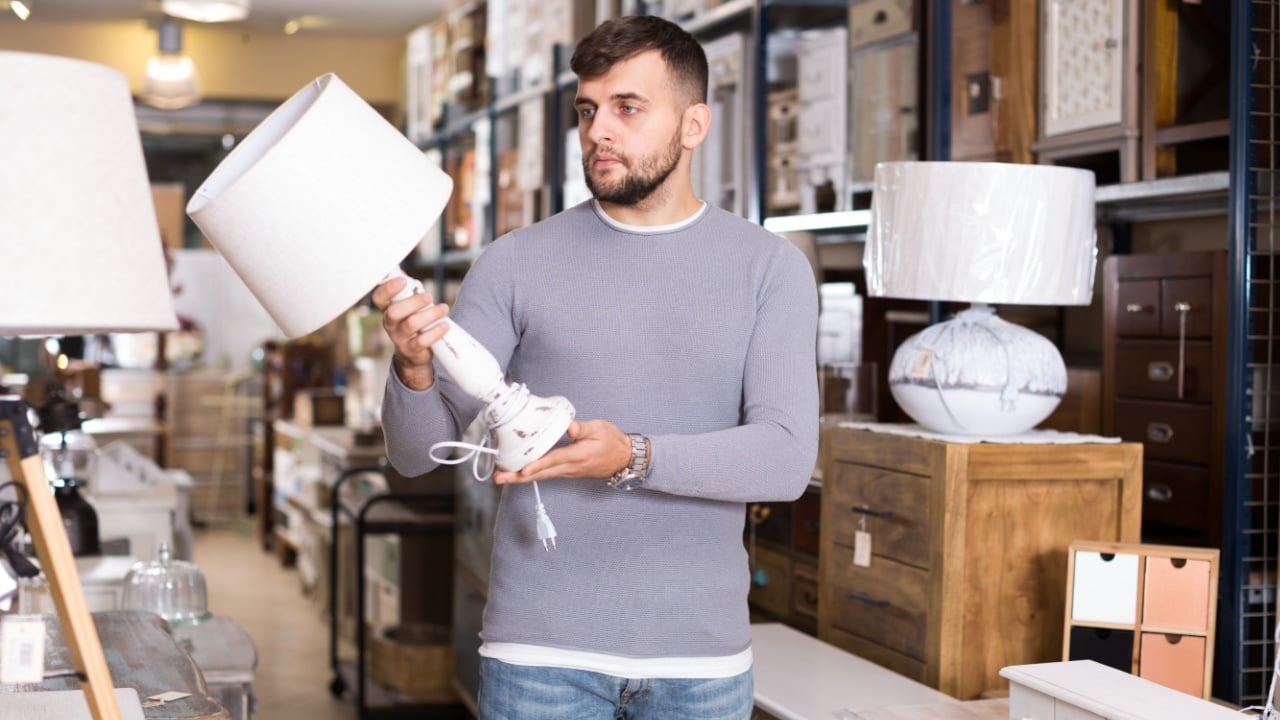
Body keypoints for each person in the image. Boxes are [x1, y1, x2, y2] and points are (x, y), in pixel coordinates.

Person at [373, 14, 818, 720]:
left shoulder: (770, 271)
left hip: (699, 665)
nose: (597, 131)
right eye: (587, 110)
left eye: (627, 108)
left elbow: (786, 458)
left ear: (693, 125)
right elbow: (414, 456)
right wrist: (413, 367)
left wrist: (632, 456)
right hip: (538, 660)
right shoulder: (514, 262)